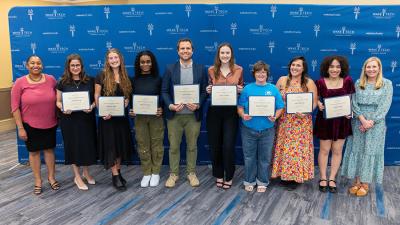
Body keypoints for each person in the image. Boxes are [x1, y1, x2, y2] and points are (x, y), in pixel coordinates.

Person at [341, 57, 393, 197]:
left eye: (374, 67)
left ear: (379, 68)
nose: (371, 69)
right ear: (364, 68)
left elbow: (385, 106)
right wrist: (362, 120)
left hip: (376, 124)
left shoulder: (386, 84)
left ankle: (365, 183)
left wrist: (370, 122)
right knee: (356, 150)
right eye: (368, 67)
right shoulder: (359, 83)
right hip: (358, 121)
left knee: (370, 151)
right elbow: (354, 102)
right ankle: (357, 181)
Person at [161, 38, 207, 188]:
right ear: (178, 51)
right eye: (182, 48)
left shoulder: (201, 69)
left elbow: (204, 91)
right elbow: (164, 91)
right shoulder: (169, 68)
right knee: (174, 146)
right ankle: (173, 174)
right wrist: (170, 105)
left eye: (188, 48)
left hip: (193, 116)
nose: (185, 51)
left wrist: (198, 104)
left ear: (192, 50)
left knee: (192, 146)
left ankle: (191, 173)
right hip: (175, 116)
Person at [11, 55, 59, 195]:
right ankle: (38, 180)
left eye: (38, 63)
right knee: (34, 152)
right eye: (32, 63)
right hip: (30, 125)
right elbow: (14, 107)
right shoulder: (19, 83)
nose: (35, 65)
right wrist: (20, 127)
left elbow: (59, 99)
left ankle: (51, 177)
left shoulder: (51, 79)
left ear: (42, 65)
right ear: (27, 66)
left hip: (50, 123)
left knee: (50, 151)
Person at [271, 56, 318, 190]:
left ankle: (296, 177)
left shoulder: (309, 82)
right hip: (284, 120)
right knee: (284, 147)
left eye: (298, 65)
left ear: (303, 68)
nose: (295, 68)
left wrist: (307, 112)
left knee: (297, 149)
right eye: (293, 65)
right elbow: (273, 98)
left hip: (301, 122)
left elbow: (314, 101)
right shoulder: (282, 80)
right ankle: (283, 174)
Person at [237, 61, 284, 193]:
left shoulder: (273, 89)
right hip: (248, 129)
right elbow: (240, 107)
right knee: (249, 156)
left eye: (264, 72)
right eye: (258, 72)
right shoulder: (247, 89)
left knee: (265, 157)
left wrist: (275, 116)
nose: (261, 74)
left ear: (267, 74)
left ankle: (263, 181)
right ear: (254, 74)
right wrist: (243, 115)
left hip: (267, 130)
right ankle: (249, 180)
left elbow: (280, 107)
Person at [56, 54, 97, 191]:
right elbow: (58, 101)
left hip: (86, 119)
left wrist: (91, 107)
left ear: (82, 66)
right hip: (69, 120)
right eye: (72, 65)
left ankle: (86, 173)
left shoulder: (90, 80)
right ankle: (77, 176)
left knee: (86, 146)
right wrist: (62, 108)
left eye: (77, 65)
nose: (75, 68)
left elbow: (95, 100)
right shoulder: (62, 82)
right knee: (73, 146)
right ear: (68, 67)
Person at [314, 56, 355, 193]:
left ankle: (332, 178)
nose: (334, 69)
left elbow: (351, 100)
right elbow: (315, 99)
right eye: (331, 67)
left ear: (342, 68)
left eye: (337, 67)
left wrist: (350, 112)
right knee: (324, 150)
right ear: (327, 68)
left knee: (337, 151)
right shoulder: (319, 82)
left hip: (342, 121)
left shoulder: (348, 81)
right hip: (325, 121)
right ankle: (323, 177)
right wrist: (319, 104)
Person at [206, 43, 243, 189]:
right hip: (214, 112)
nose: (225, 55)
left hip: (231, 112)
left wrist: (241, 89)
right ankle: (219, 174)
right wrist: (208, 89)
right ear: (218, 55)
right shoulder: (211, 70)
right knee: (215, 145)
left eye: (227, 53)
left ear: (231, 54)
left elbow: (241, 87)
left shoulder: (239, 70)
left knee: (228, 145)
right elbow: (208, 87)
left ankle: (229, 175)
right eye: (222, 53)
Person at [94, 48, 133, 191]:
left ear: (120, 59)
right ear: (107, 61)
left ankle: (118, 171)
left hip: (121, 118)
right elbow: (97, 96)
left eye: (116, 57)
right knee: (111, 147)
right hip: (107, 119)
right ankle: (115, 175)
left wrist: (127, 101)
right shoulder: (101, 76)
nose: (114, 60)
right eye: (111, 58)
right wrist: (101, 112)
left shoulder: (125, 76)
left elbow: (127, 95)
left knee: (120, 146)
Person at [129, 50, 164, 188]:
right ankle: (146, 172)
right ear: (138, 64)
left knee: (156, 144)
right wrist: (130, 110)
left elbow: (164, 97)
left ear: (152, 63)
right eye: (142, 62)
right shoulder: (133, 80)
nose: (145, 64)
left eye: (148, 61)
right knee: (143, 144)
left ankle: (155, 172)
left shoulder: (158, 79)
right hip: (139, 118)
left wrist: (161, 108)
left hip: (156, 117)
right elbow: (129, 99)